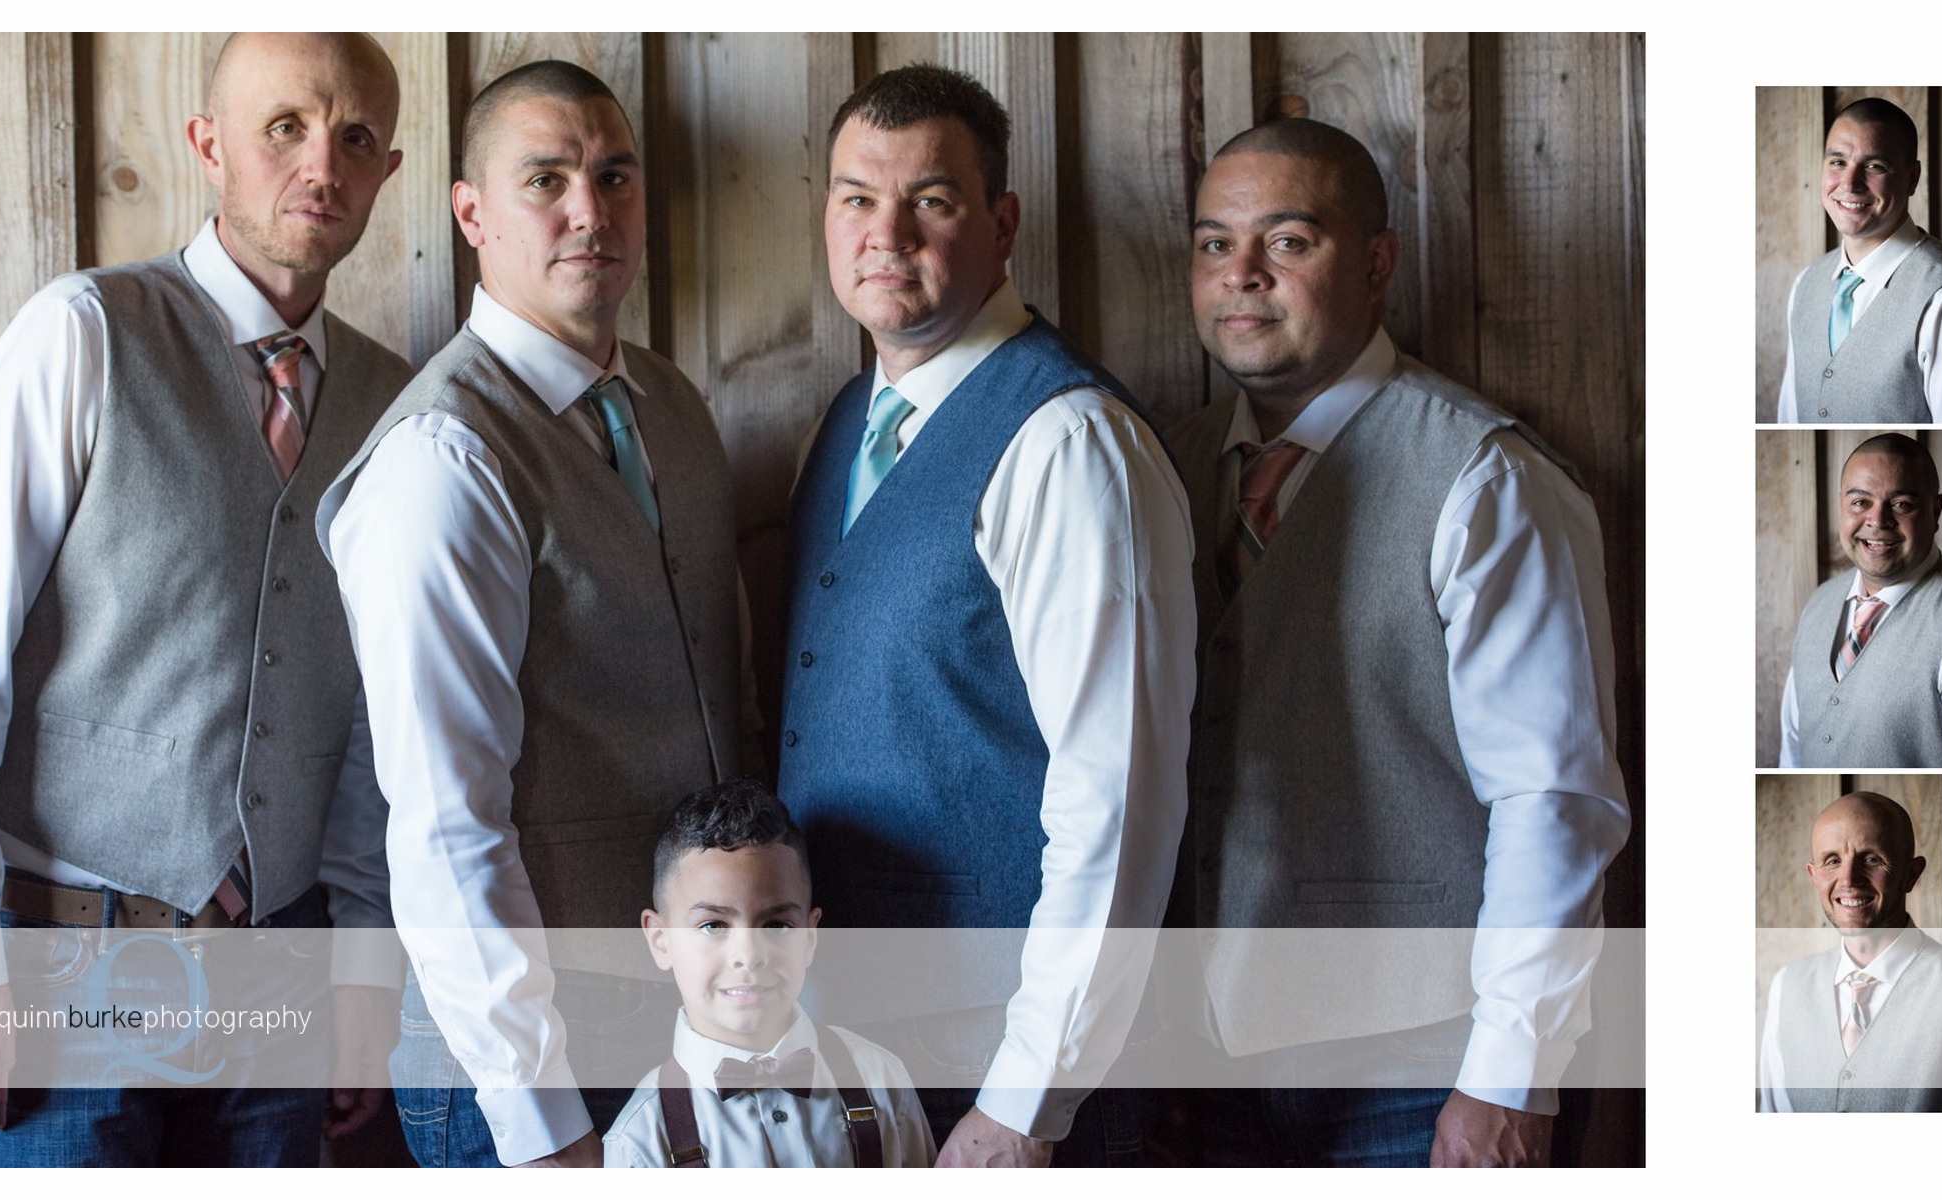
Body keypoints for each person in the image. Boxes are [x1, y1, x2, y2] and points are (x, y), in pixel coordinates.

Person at [0, 32, 410, 1166]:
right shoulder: (82, 334)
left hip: (283, 979)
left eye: (356, 138)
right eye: (286, 126)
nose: (321, 164)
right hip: (53, 982)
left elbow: (379, 712)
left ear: (387, 173)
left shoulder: (394, 404)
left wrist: (366, 967)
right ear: (208, 144)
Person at [1167, 117, 1631, 1167]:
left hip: (1423, 1070)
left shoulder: (1485, 480)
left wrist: (1510, 1075)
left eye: (1288, 241)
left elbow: (1552, 800)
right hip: (1202, 1061)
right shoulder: (1163, 468)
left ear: (1376, 262)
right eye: (1213, 243)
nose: (1241, 274)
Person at [319, 60, 742, 1168]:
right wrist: (538, 1119)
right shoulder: (443, 457)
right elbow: (447, 824)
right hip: (528, 1055)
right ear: (472, 215)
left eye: (614, 177)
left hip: (687, 1023)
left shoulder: (675, 410)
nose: (589, 212)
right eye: (545, 180)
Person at [775, 64, 1195, 1167]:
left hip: (1010, 1069)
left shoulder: (1068, 443)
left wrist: (1026, 1102)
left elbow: (1122, 799)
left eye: (934, 201)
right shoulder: (847, 427)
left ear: (1002, 223)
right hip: (860, 1050)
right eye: (858, 198)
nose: (886, 233)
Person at [604, 780, 936, 1168]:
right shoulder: (639, 1143)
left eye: (777, 925)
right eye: (712, 926)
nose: (748, 955)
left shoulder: (881, 1078)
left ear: (809, 937)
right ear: (661, 940)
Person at [1758, 791, 1942, 1112]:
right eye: (1832, 860)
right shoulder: (1787, 986)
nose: (1848, 879)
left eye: (1871, 859)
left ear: (1911, 874)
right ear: (1813, 874)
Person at [1778, 433, 1942, 768]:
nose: (1877, 521)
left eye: (1901, 504)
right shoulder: (1818, 605)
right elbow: (1794, 748)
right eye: (1860, 503)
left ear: (1936, 510)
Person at [1774, 96, 1942, 424]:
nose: (1850, 183)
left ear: (1912, 178)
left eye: (1874, 166)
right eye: (1838, 162)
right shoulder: (1805, 285)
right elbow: (1790, 417)